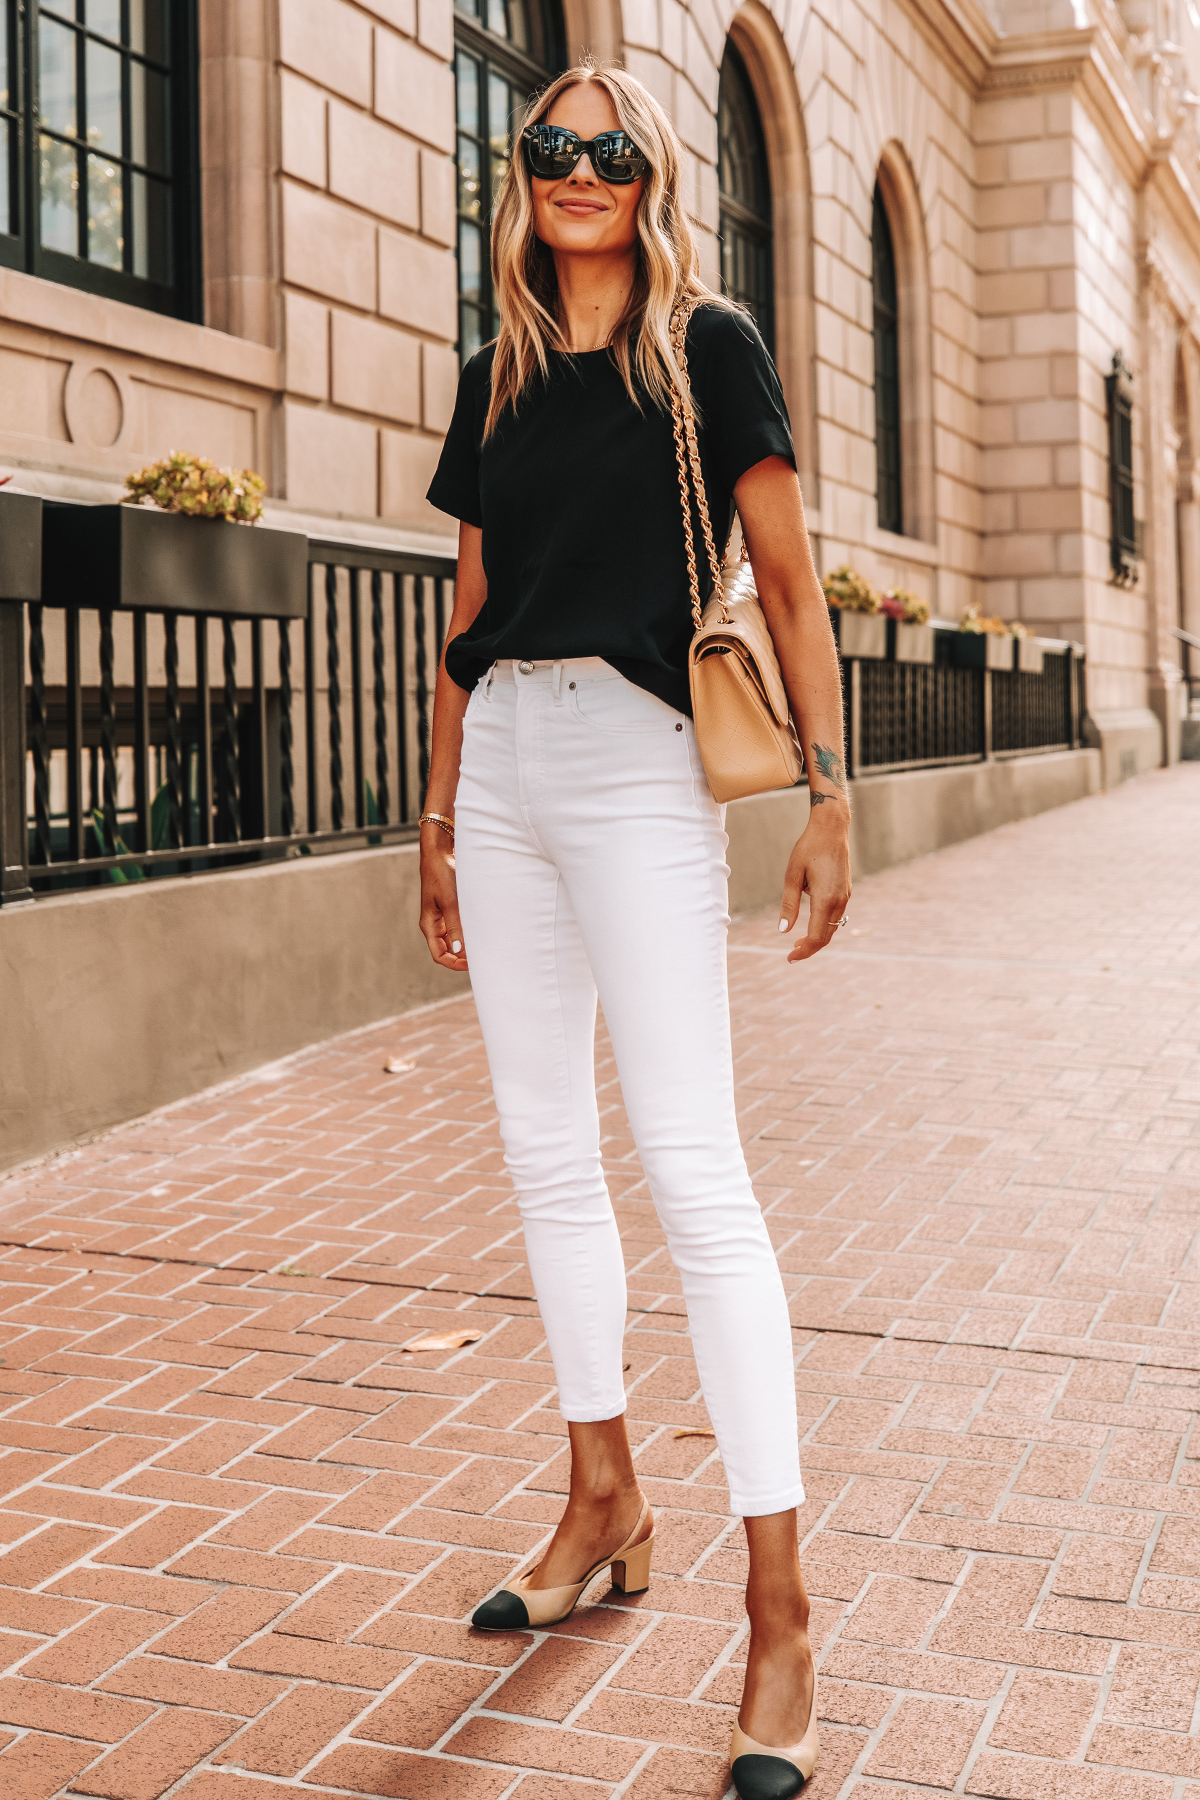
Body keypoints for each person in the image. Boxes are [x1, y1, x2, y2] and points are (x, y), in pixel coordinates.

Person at [420, 60, 851, 1800]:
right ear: (519, 173)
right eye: (551, 147)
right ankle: (604, 1494)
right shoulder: (499, 370)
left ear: (651, 179)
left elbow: (793, 573)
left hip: (640, 758)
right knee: (540, 1150)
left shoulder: (707, 347)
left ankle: (780, 1608)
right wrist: (440, 816)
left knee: (691, 1163)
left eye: (610, 150)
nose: (578, 169)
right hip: (508, 757)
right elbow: (465, 600)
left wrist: (829, 792)